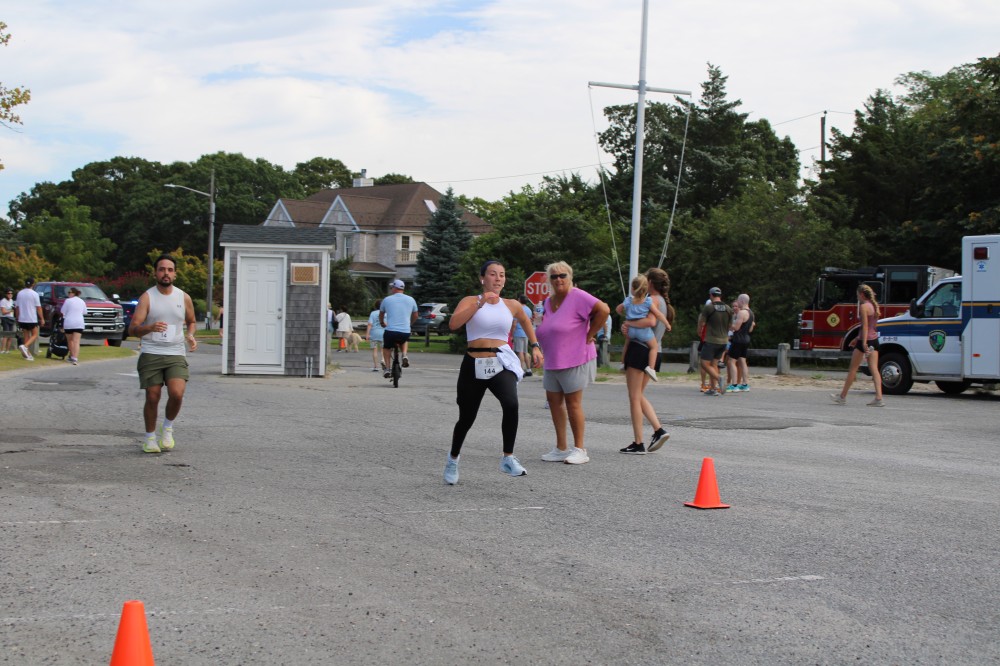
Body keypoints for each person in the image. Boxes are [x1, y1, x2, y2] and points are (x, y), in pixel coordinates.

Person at [443, 260, 544, 484]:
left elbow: (526, 322)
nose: (498, 278)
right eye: (493, 274)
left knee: (511, 403)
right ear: (482, 278)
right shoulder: (470, 301)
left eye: (502, 275)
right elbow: (453, 324)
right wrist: (479, 303)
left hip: (500, 361)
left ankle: (508, 457)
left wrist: (535, 346)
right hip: (474, 361)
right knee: (466, 418)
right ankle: (453, 458)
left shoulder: (511, 304)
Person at [535, 261, 610, 465]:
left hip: (574, 357)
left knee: (572, 403)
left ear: (570, 277)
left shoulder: (577, 296)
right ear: (549, 280)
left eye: (563, 275)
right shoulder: (548, 302)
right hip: (553, 358)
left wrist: (590, 333)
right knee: (553, 402)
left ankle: (580, 449)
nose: (558, 279)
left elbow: (603, 310)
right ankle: (561, 448)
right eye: (554, 276)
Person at [129, 254, 198, 454]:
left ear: (175, 274)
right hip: (151, 352)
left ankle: (167, 428)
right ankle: (150, 438)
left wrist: (190, 335)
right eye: (161, 269)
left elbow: (192, 321)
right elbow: (133, 329)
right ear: (155, 273)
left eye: (169, 270)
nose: (165, 273)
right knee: (153, 396)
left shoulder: (183, 297)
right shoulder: (147, 297)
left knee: (177, 394)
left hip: (176, 352)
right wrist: (149, 328)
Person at [618, 272, 673, 455]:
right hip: (654, 350)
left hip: (640, 349)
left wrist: (628, 322)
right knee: (638, 395)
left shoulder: (651, 300)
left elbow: (649, 321)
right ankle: (658, 430)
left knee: (634, 397)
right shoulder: (662, 301)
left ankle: (639, 442)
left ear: (649, 282)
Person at [832, 284, 885, 407]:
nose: (857, 297)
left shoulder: (863, 307)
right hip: (874, 340)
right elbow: (871, 327)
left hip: (864, 341)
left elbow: (864, 327)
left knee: (853, 369)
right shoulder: (873, 306)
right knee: (874, 369)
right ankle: (879, 398)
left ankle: (842, 397)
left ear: (861, 294)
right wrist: (856, 339)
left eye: (857, 295)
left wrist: (863, 342)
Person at [616, 274, 671, 382]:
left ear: (632, 289)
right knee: (654, 347)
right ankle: (651, 368)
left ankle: (622, 363)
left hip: (631, 331)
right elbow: (658, 315)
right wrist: (667, 324)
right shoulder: (647, 302)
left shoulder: (628, 300)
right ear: (645, 289)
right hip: (643, 332)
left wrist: (625, 316)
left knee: (627, 344)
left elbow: (618, 309)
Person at [697, 287, 733, 397]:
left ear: (711, 295)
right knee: (714, 364)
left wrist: (699, 332)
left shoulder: (709, 307)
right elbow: (730, 326)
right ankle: (713, 389)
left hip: (711, 340)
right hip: (723, 341)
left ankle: (719, 378)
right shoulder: (728, 308)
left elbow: (702, 323)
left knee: (704, 363)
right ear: (720, 295)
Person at [379, 279, 418, 376]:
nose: (391, 289)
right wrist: (410, 324)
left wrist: (382, 322)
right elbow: (415, 315)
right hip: (405, 331)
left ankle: (387, 369)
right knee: (404, 340)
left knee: (386, 348)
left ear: (394, 288)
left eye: (392, 287)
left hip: (390, 331)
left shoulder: (386, 299)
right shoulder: (411, 299)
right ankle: (404, 355)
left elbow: (381, 314)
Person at [727, 293, 755, 392]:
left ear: (742, 301)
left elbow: (736, 328)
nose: (737, 303)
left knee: (731, 361)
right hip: (746, 339)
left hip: (738, 339)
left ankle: (734, 385)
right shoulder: (751, 313)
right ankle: (745, 384)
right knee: (743, 361)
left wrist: (727, 325)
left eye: (738, 301)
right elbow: (750, 329)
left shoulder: (741, 313)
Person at [14, 277, 43, 362]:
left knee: (26, 335)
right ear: (33, 284)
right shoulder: (34, 294)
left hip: (22, 318)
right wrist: (42, 318)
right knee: (35, 334)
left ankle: (27, 354)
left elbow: (17, 307)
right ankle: (25, 346)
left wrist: (17, 317)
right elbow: (38, 307)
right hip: (31, 318)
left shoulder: (20, 293)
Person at [59, 286, 87, 365]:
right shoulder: (82, 301)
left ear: (74, 293)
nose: (68, 294)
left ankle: (72, 356)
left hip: (69, 322)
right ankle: (75, 358)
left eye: (69, 293)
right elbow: (85, 312)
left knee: (70, 340)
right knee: (76, 341)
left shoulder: (68, 301)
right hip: (79, 322)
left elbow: (63, 311)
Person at [512, 294, 533, 377]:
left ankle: (521, 370)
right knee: (525, 352)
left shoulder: (518, 309)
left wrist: (512, 334)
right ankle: (529, 369)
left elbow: (514, 323)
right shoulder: (529, 310)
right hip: (525, 333)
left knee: (520, 352)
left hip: (518, 332)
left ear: (519, 300)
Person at [365, 299, 385, 372]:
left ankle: (376, 366)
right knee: (383, 349)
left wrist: (367, 334)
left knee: (375, 350)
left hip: (374, 334)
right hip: (384, 333)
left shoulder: (373, 313)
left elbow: (370, 324)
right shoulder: (386, 313)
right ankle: (383, 360)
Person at [0, 288, 15, 354]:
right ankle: (2, 350)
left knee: (10, 335)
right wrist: (10, 311)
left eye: (11, 293)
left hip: (11, 318)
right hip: (5, 318)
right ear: (6, 294)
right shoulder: (3, 301)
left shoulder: (11, 301)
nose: (10, 294)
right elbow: (3, 312)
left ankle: (7, 350)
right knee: (6, 334)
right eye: (9, 293)